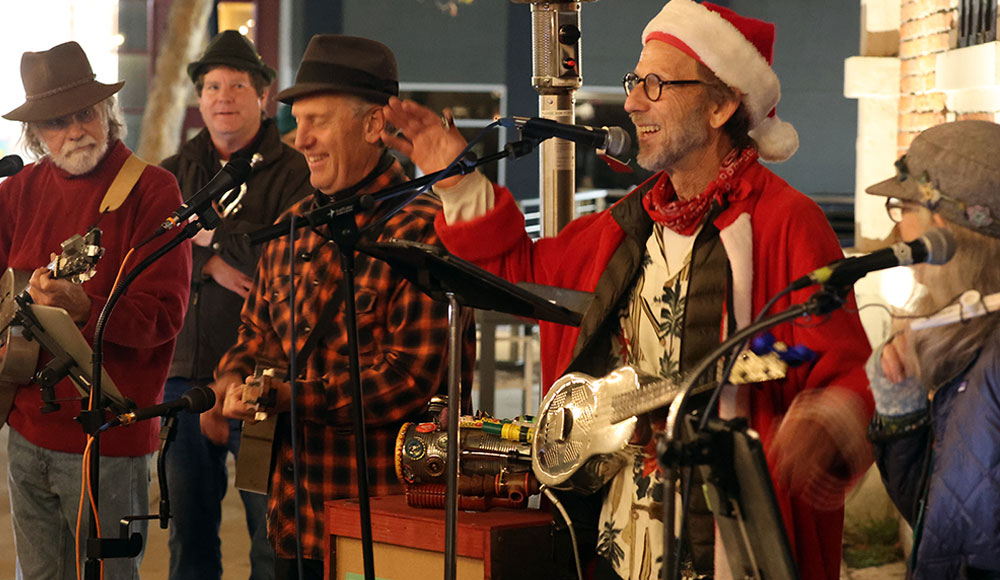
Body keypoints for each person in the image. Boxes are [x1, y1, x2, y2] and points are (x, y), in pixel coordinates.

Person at [382, 1, 875, 578]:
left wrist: (821, 423)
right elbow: (520, 273)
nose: (634, 101)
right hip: (619, 540)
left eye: (656, 84)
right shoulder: (628, 221)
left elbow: (848, 373)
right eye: (633, 82)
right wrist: (460, 178)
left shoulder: (785, 222)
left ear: (721, 105)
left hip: (725, 544)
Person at [214, 34, 473, 580]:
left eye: (317, 122)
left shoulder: (426, 229)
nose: (299, 139)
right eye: (297, 120)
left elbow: (412, 380)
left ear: (375, 125)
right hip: (293, 521)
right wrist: (232, 381)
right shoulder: (292, 223)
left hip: (388, 524)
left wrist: (290, 396)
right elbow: (253, 335)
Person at [0, 41, 190, 579]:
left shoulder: (153, 191)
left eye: (85, 113)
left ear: (107, 112)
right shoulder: (17, 191)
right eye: (57, 122)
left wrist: (88, 307)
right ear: (36, 135)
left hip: (109, 438)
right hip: (26, 426)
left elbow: (164, 314)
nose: (76, 130)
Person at [160, 30, 313, 580]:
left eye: (238, 85)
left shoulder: (296, 170)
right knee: (189, 539)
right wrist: (210, 265)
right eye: (213, 86)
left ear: (264, 96)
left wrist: (209, 238)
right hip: (181, 379)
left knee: (270, 536)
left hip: (261, 383)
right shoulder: (172, 172)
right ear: (199, 99)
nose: (224, 96)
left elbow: (287, 248)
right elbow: (153, 254)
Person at [865, 120, 1000, 580]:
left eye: (902, 207)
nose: (896, 231)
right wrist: (901, 415)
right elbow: (940, 519)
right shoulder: (970, 344)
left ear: (941, 231)